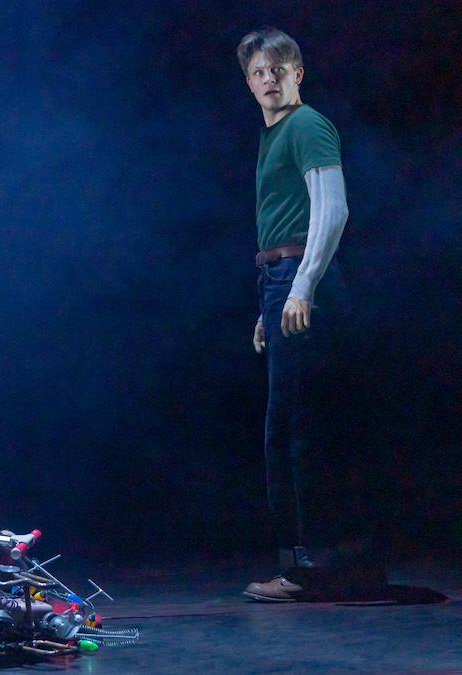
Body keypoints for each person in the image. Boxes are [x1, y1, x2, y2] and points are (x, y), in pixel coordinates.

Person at [235, 29, 371, 602]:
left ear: (298, 73)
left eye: (279, 68)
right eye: (259, 72)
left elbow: (332, 209)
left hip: (298, 277)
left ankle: (308, 569)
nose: (269, 79)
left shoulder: (307, 124)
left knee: (293, 428)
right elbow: (283, 220)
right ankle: (313, 562)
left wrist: (303, 286)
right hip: (281, 280)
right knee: (288, 424)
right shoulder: (273, 136)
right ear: (249, 82)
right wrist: (271, 304)